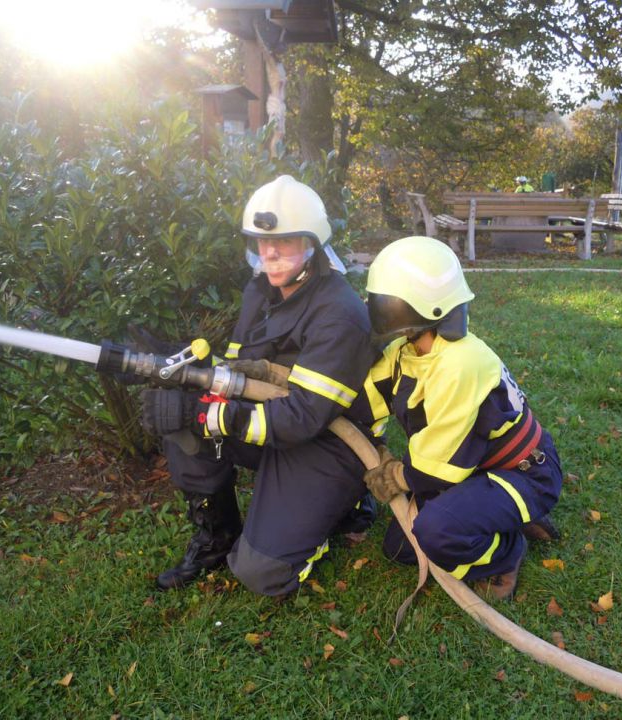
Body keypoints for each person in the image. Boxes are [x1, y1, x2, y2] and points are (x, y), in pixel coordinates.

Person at [140, 175, 379, 596]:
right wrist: (169, 369)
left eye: (284, 242)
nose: (269, 253)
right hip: (276, 422)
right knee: (178, 410)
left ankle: (347, 503)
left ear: (312, 243)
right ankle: (218, 534)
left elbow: (304, 417)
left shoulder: (338, 313)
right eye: (261, 242)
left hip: (331, 443)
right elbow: (238, 371)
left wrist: (206, 415)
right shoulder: (261, 290)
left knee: (263, 573)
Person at [360, 236, 563, 600]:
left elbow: (437, 470)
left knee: (438, 533)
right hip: (473, 471)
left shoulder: (459, 363)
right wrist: (280, 379)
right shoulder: (405, 352)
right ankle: (494, 518)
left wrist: (395, 475)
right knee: (401, 547)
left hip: (522, 473)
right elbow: (362, 400)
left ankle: (505, 553)